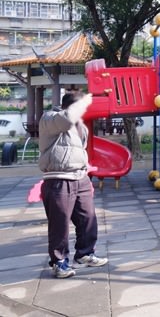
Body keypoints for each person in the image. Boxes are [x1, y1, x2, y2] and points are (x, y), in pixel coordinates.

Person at [38, 91, 108, 279]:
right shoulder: (50, 118)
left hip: (80, 178)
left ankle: (85, 253)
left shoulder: (80, 127)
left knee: (88, 218)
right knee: (59, 224)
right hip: (59, 179)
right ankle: (59, 262)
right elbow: (67, 119)